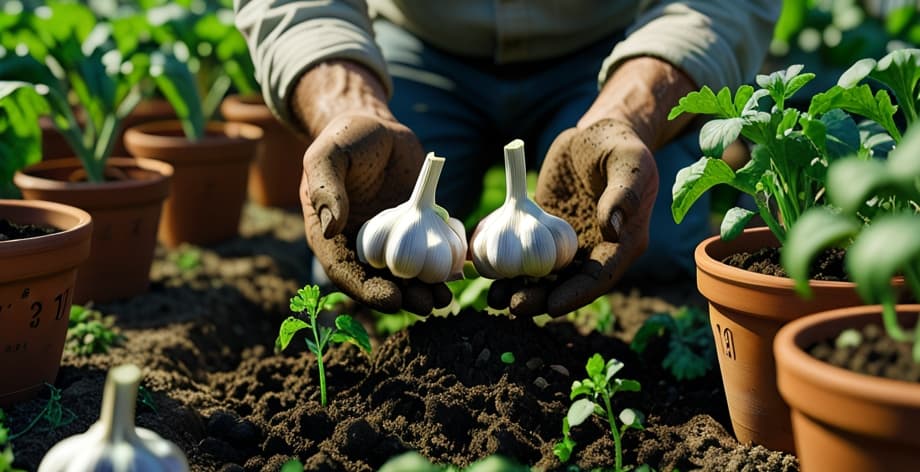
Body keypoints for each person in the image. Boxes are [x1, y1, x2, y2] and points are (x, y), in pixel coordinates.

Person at [234, 0, 779, 317]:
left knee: (648, 245)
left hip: (615, 49)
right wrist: (345, 102)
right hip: (417, 45)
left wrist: (631, 113)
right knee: (360, 236)